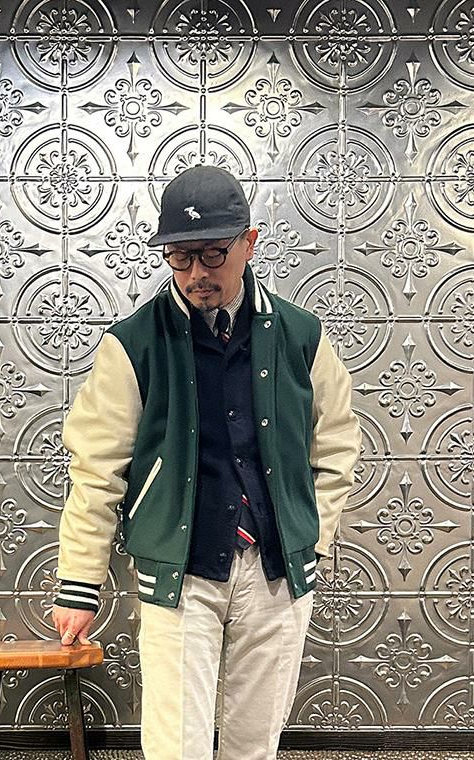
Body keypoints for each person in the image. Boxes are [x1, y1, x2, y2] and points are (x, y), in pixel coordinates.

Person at [51, 164, 362, 760]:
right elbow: (96, 469)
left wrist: (313, 535)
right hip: (181, 570)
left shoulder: (302, 336)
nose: (196, 273)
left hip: (275, 567)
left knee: (255, 743)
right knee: (177, 745)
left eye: (213, 253)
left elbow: (337, 442)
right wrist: (80, 585)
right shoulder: (133, 344)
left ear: (249, 243)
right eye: (180, 257)